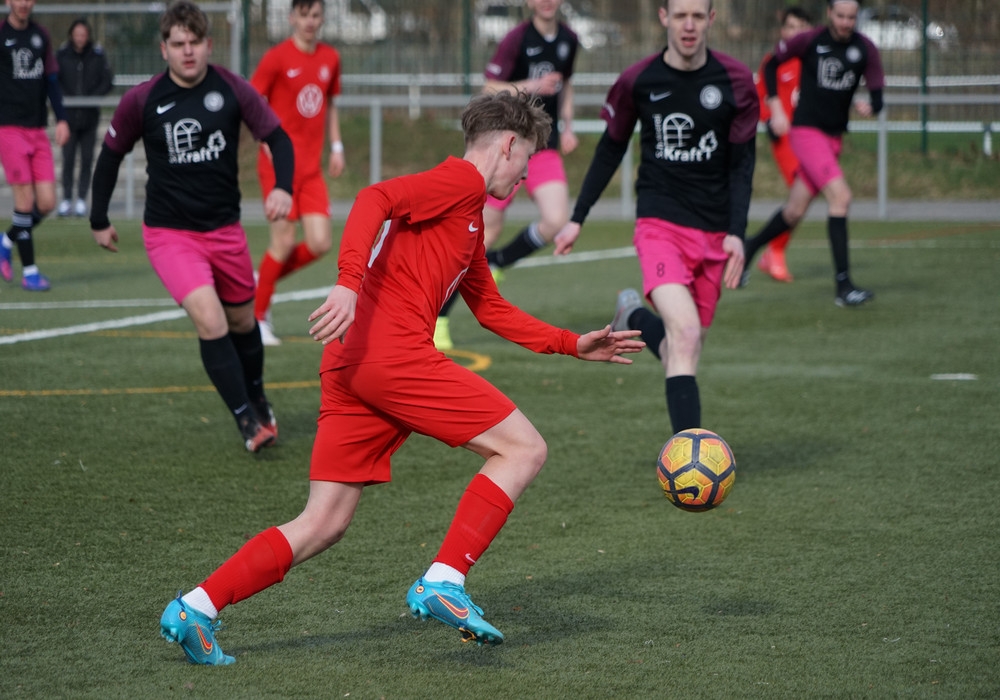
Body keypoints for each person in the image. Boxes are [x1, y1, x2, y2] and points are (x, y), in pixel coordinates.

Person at [158, 90, 644, 664]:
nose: (525, 176)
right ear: (508, 145)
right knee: (524, 449)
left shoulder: (468, 217)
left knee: (323, 521)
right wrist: (347, 281)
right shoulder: (460, 182)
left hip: (351, 363)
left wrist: (570, 343)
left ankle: (196, 607)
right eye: (528, 160)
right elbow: (376, 197)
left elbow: (490, 308)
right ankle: (445, 580)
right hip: (390, 356)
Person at [88, 0, 294, 452]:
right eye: (178, 43)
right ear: (163, 48)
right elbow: (110, 157)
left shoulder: (232, 88)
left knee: (243, 321)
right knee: (210, 317)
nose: (187, 51)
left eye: (195, 42)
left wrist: (283, 187)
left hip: (225, 231)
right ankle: (247, 422)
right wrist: (98, 218)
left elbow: (278, 138)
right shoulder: (141, 99)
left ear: (208, 45)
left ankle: (257, 396)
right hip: (170, 234)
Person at [553, 0, 757, 436]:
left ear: (711, 19)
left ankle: (634, 316)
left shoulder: (737, 81)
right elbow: (610, 149)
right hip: (659, 224)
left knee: (683, 347)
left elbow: (743, 164)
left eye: (697, 16)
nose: (689, 25)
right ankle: (688, 456)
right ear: (664, 17)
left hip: (714, 231)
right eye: (680, 15)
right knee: (685, 335)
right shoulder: (638, 80)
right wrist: (577, 217)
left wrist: (737, 232)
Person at [434, 0, 579, 351]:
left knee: (557, 219)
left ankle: (500, 261)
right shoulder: (516, 39)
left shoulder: (570, 39)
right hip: (508, 147)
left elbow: (566, 85)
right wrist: (532, 85)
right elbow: (488, 88)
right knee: (482, 235)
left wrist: (569, 125)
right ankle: (439, 317)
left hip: (544, 146)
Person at [741, 0, 884, 307]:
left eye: (851, 17)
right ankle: (844, 286)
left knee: (794, 210)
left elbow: (878, 95)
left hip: (834, 139)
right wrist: (776, 108)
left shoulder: (865, 48)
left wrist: (871, 106)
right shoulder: (810, 40)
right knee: (841, 197)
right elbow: (770, 66)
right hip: (806, 133)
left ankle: (749, 247)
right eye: (840, 16)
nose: (845, 23)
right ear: (830, 13)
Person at [251, 0, 345, 346]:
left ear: (322, 19)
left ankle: (262, 280)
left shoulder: (330, 58)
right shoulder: (276, 58)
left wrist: (337, 146)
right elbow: (252, 101)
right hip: (279, 167)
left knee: (320, 243)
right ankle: (257, 318)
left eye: (315, 15)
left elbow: (330, 104)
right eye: (303, 15)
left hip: (311, 169)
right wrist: (265, 138)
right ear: (292, 17)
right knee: (284, 242)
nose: (309, 21)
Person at [0, 0, 70, 292]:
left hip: (37, 129)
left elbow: (51, 81)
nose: (23, 3)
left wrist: (62, 119)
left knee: (47, 203)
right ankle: (30, 272)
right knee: (25, 203)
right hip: (8, 128)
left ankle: (5, 241)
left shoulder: (41, 35)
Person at [753, 6, 811, 283]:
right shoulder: (774, 62)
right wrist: (768, 119)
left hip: (813, 138)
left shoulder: (815, 59)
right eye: (790, 27)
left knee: (804, 197)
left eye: (801, 27)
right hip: (787, 140)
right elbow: (759, 96)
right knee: (801, 190)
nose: (795, 32)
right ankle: (774, 251)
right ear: (782, 30)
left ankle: (772, 250)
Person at [56, 17, 113, 218]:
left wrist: (92, 98)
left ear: (88, 35)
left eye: (83, 34)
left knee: (87, 159)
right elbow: (55, 81)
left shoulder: (97, 55)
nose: (80, 38)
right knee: (68, 159)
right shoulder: (62, 54)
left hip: (90, 117)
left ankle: (81, 199)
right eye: (77, 34)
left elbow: (107, 81)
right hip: (68, 118)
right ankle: (66, 199)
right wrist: (65, 101)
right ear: (72, 35)